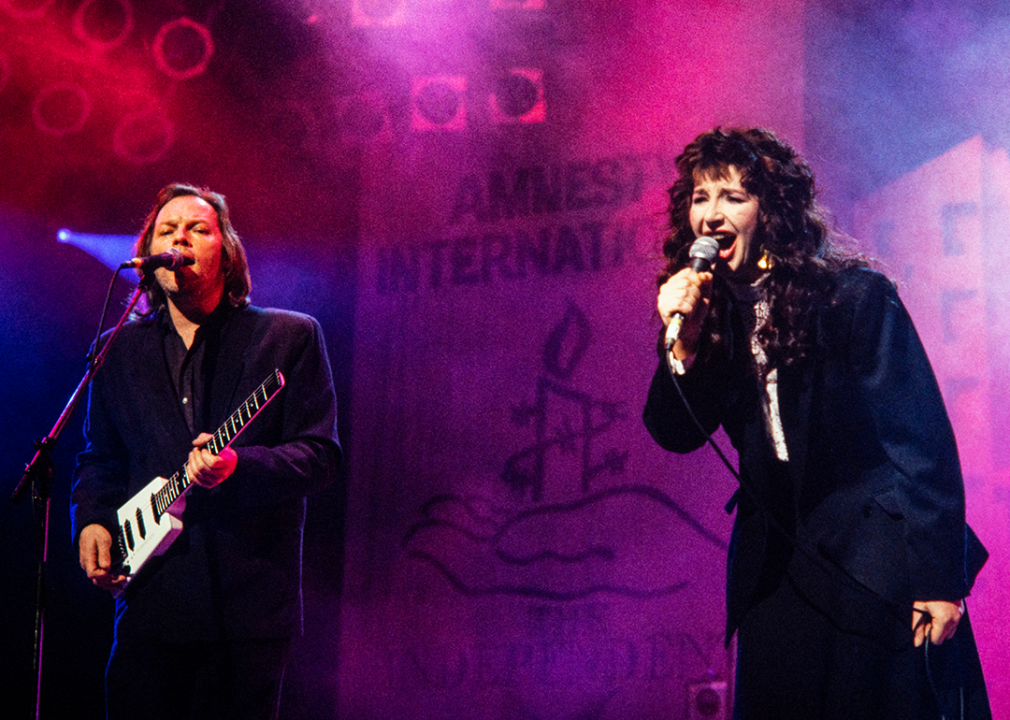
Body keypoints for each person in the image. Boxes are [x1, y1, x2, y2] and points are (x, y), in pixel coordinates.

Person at [643, 128, 990, 719]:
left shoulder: (850, 297)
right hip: (778, 567)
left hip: (874, 558)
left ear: (771, 209)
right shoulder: (710, 315)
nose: (712, 215)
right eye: (701, 198)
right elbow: (674, 433)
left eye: (733, 196)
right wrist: (686, 346)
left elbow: (921, 442)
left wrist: (939, 577)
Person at [71, 183, 341, 720]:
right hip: (151, 604)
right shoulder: (116, 350)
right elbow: (100, 457)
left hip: (247, 612)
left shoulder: (287, 338)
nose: (180, 240)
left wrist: (240, 466)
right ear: (149, 255)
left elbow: (320, 456)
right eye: (166, 232)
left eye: (197, 229)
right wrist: (94, 521)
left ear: (227, 251)